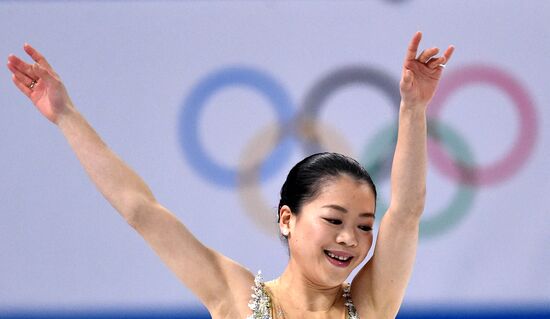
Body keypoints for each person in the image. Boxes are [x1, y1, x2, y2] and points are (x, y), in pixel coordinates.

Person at [7, 31, 454, 319]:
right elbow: (140, 210)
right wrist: (65, 116)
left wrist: (413, 110)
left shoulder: (375, 306)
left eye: (363, 226)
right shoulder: (238, 300)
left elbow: (408, 211)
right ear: (286, 219)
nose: (349, 239)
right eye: (334, 220)